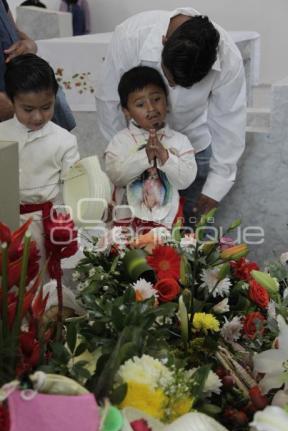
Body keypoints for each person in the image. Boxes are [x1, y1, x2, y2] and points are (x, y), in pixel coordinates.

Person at [96, 8, 247, 225]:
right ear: (163, 41)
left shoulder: (227, 56)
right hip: (134, 151)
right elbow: (109, 100)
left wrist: (217, 186)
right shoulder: (131, 36)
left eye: (188, 85)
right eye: (168, 77)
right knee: (134, 234)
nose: (173, 87)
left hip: (193, 151)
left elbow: (229, 120)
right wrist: (122, 154)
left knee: (186, 236)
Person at [0, 54, 80, 267]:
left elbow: (72, 188)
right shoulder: (1, 134)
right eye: (28, 109)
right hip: (4, 220)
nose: (37, 117)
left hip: (42, 224)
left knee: (40, 282)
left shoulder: (64, 140)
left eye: (46, 107)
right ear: (11, 99)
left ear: (55, 97)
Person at [105, 66, 197, 231]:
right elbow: (117, 177)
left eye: (156, 99)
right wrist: (144, 157)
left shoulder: (180, 141)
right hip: (127, 224)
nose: (151, 108)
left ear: (166, 100)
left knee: (165, 257)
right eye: (140, 104)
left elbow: (185, 181)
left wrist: (165, 156)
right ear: (126, 111)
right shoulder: (120, 141)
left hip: (167, 224)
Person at [0, 0, 76, 129]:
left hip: (21, 87)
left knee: (50, 142)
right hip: (9, 103)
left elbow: (18, 34)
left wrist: (28, 44)